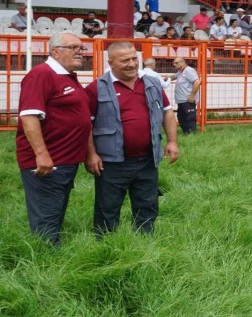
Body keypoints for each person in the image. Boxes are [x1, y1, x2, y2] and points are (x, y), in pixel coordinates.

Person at [85, 43, 179, 236]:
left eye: (134, 59)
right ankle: (105, 246)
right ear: (110, 63)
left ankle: (144, 243)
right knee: (107, 208)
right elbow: (86, 124)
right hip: (111, 162)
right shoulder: (97, 88)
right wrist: (91, 154)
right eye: (125, 60)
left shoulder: (151, 84)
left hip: (147, 160)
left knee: (147, 205)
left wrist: (172, 141)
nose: (131, 64)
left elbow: (167, 113)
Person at [16, 33, 91, 246]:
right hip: (49, 163)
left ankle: (49, 251)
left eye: (81, 48)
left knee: (55, 210)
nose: (80, 52)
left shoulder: (66, 76)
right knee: (47, 216)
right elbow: (29, 116)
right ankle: (45, 263)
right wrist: (41, 154)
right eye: (73, 47)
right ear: (55, 51)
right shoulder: (41, 74)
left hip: (63, 161)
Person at [172, 58, 201, 134]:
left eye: (176, 63)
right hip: (181, 101)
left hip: (188, 100)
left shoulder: (189, 71)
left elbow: (197, 82)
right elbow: (173, 77)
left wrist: (192, 96)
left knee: (189, 118)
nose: (174, 64)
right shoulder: (180, 72)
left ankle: (191, 134)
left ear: (182, 63)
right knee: (181, 118)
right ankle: (186, 133)